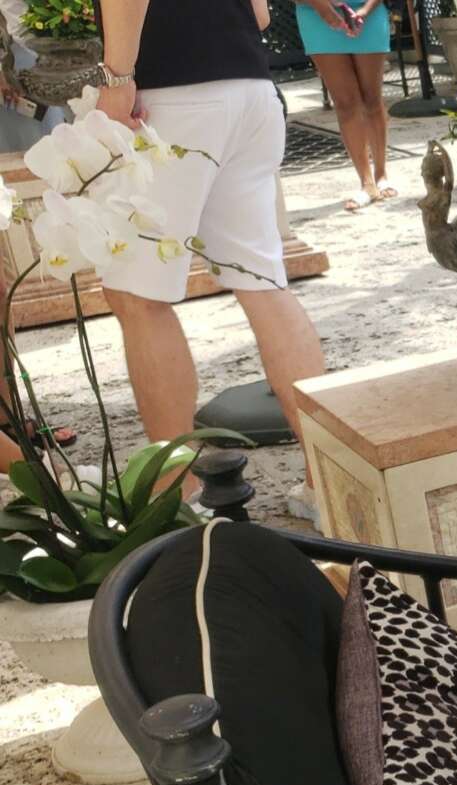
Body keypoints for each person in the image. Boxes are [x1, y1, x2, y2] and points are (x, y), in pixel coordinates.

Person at [96, 0, 327, 509]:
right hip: (248, 85)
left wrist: (116, 80)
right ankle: (328, 485)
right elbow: (261, 15)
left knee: (138, 296)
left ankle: (178, 497)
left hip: (169, 94)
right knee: (264, 283)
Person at [295, 0, 394, 211]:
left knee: (372, 99)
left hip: (368, 14)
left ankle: (381, 174)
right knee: (345, 104)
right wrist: (323, 9)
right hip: (316, 16)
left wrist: (365, 10)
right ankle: (367, 183)